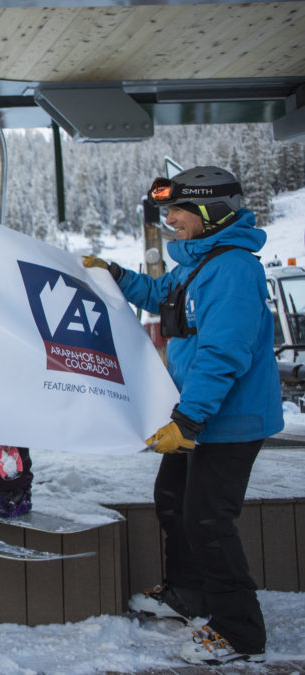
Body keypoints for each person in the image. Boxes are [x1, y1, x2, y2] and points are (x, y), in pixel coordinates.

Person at [83, 165, 282, 666]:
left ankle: (240, 631)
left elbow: (224, 353)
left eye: (178, 210)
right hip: (197, 414)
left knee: (209, 520)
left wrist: (188, 420)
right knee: (172, 501)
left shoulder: (233, 270)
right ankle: (188, 594)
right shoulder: (199, 261)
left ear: (210, 213)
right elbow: (158, 297)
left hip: (227, 420)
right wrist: (114, 275)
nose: (170, 219)